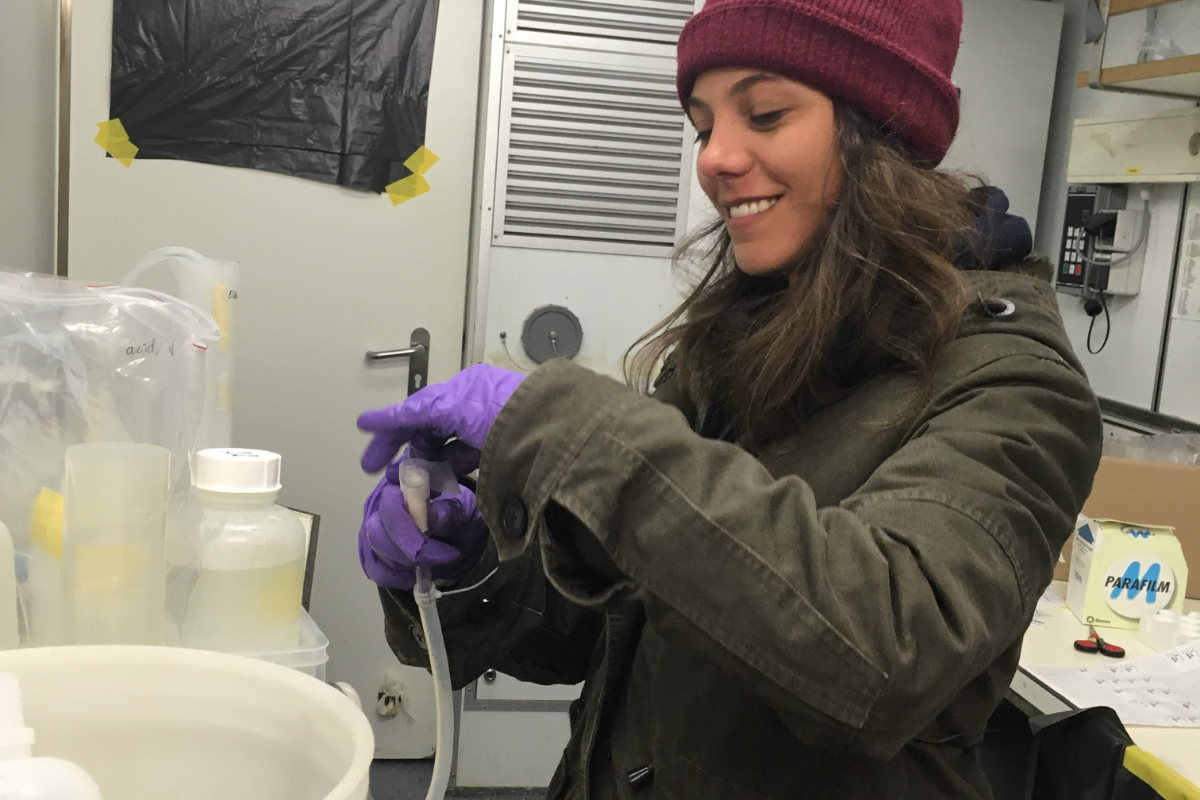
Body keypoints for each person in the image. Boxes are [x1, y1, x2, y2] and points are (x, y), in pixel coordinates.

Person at [356, 0, 1103, 797]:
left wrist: (566, 428)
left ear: (883, 131)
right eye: (704, 124)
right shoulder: (737, 345)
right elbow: (617, 621)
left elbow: (884, 653)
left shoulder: (1013, 384)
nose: (713, 158)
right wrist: (469, 566)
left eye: (766, 112)